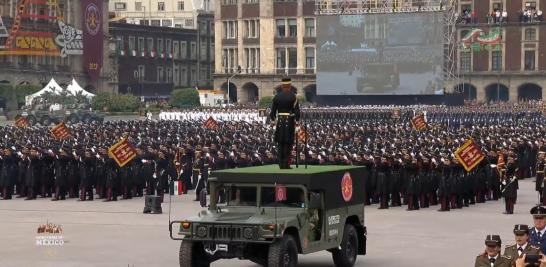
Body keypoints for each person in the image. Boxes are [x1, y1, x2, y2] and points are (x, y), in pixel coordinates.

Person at [269, 77, 301, 169]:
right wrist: (296, 119)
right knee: (288, 143)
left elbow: (272, 113)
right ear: (290, 86)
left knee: (280, 143)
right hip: (289, 122)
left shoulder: (276, 97)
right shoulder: (293, 97)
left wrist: (274, 122)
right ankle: (286, 164)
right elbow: (297, 112)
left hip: (279, 122)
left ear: (282, 86)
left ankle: (281, 164)